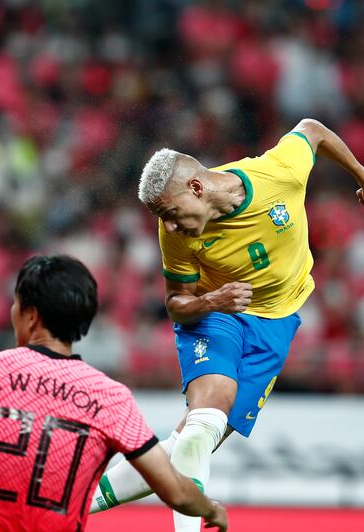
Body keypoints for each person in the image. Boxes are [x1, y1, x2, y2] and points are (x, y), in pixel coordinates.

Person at [90, 119, 364, 531]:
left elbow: (313, 130)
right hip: (216, 316)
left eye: (170, 214)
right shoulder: (177, 234)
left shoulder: (277, 174)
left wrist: (361, 174)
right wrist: (210, 301)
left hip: (275, 321)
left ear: (196, 189)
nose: (167, 227)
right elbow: (175, 303)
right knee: (207, 418)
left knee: (190, 442)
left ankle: (72, 505)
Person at [0, 255, 228, 532]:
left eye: (16, 304)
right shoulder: (109, 397)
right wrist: (212, 510)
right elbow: (176, 491)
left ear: (30, 315)